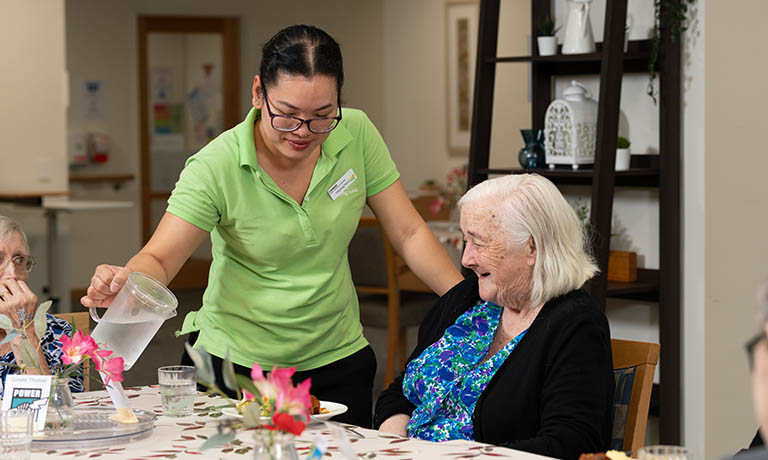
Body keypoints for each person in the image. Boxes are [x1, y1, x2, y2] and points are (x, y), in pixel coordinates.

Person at [80, 24, 463, 427]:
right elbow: (161, 256)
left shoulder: (356, 134)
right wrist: (128, 282)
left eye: (321, 117)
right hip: (236, 368)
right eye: (287, 115)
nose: (303, 132)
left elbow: (409, 232)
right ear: (258, 93)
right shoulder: (217, 165)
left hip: (337, 359)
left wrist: (468, 303)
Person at [374, 174, 614, 459]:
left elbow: (571, 443)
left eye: (480, 243)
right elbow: (400, 392)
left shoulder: (576, 326)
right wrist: (394, 440)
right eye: (466, 241)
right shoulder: (465, 299)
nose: (466, 259)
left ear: (532, 248)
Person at [0, 215, 84, 397]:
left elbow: (54, 413)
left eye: (19, 259)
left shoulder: (60, 334)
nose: (12, 274)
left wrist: (23, 330)